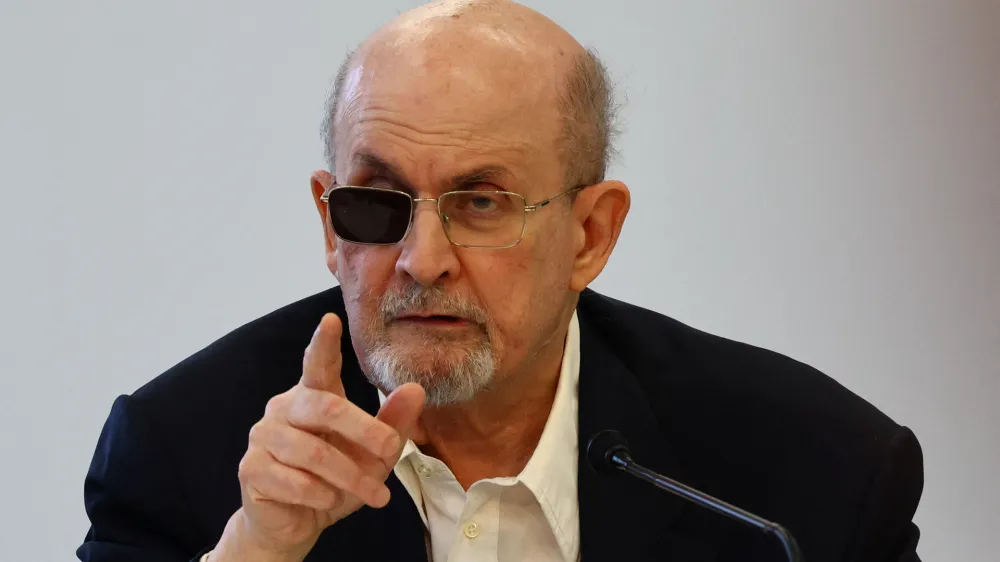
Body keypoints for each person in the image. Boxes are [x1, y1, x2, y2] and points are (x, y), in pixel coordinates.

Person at [77, 1, 924, 561]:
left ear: (591, 234)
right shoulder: (183, 457)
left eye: (481, 202)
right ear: (329, 221)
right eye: (378, 201)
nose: (422, 257)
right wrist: (256, 549)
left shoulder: (811, 477)